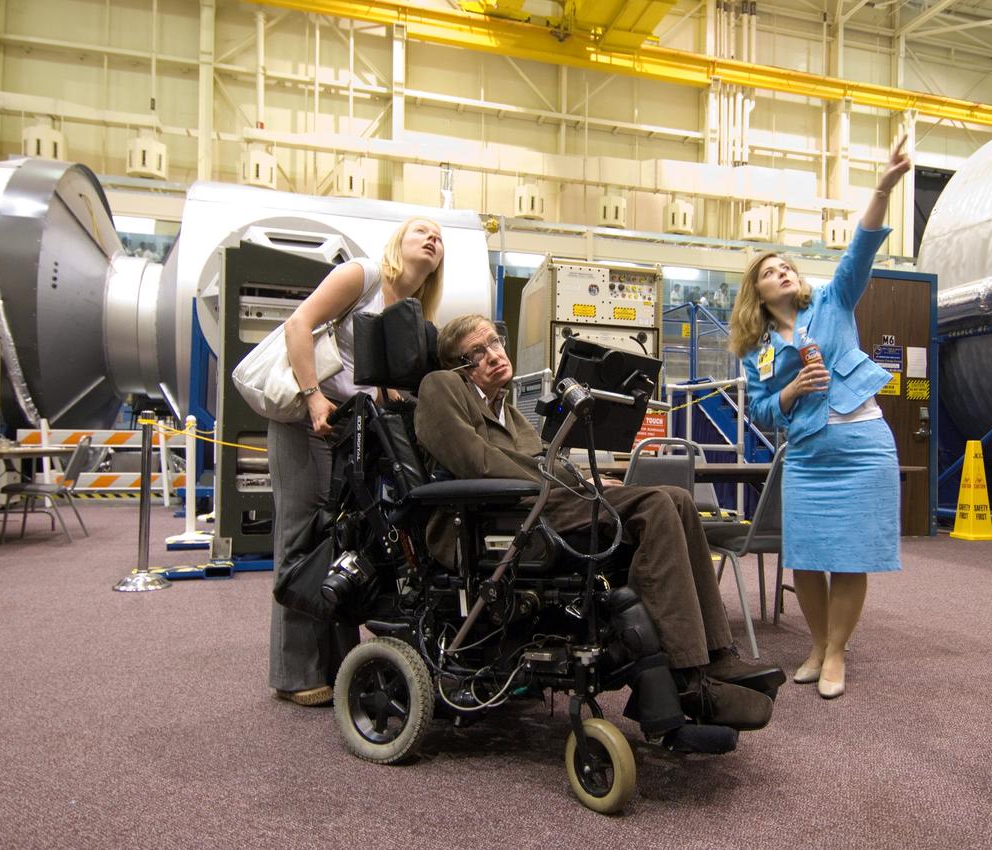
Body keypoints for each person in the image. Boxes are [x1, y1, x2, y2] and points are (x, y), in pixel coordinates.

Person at [414, 315, 786, 730]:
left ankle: (716, 655)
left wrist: (583, 478)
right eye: (476, 352)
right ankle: (687, 678)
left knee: (677, 500)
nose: (493, 355)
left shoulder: (510, 411)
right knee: (655, 507)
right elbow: (476, 463)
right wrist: (567, 481)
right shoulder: (441, 386)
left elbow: (543, 460)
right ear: (457, 366)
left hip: (537, 504)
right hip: (486, 520)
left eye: (495, 342)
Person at [728, 134, 911, 700]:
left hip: (862, 444)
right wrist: (789, 393)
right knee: (806, 558)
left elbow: (861, 246)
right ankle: (816, 644)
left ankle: (835, 653)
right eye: (770, 270)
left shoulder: (832, 301)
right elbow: (759, 410)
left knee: (849, 556)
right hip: (807, 454)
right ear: (756, 292)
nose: (782, 272)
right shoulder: (757, 349)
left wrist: (882, 187)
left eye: (786, 266)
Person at [269, 217, 445, 706]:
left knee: (340, 539)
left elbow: (377, 383)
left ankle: (339, 665)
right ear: (398, 242)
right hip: (306, 418)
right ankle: (294, 673)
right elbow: (297, 325)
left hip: (352, 430)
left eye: (439, 238)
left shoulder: (408, 310)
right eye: (421, 231)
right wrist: (312, 398)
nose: (432, 239)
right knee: (300, 538)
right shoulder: (363, 275)